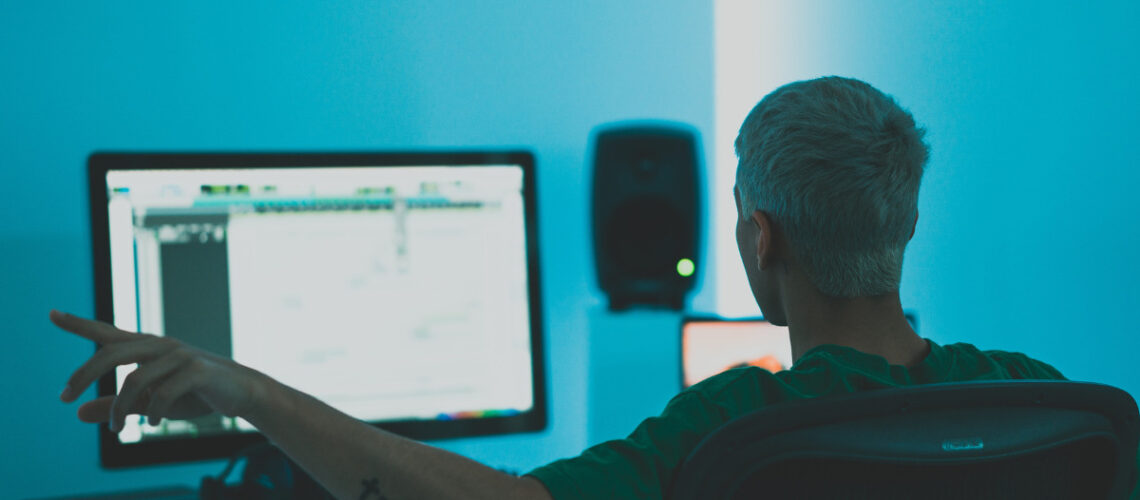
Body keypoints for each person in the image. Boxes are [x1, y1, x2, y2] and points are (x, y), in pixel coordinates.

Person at [52, 76, 1075, 499]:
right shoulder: (1043, 404)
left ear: (760, 237)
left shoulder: (748, 423)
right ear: (905, 221)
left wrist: (253, 392)